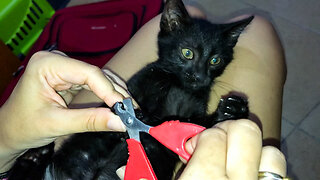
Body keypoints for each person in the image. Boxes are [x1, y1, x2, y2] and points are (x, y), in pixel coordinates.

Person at [0, 4, 288, 180]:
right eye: (188, 55)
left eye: (214, 62)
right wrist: (218, 123)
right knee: (260, 30)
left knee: (198, 15)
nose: (200, 72)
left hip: (58, 168)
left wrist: (6, 143)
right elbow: (195, 140)